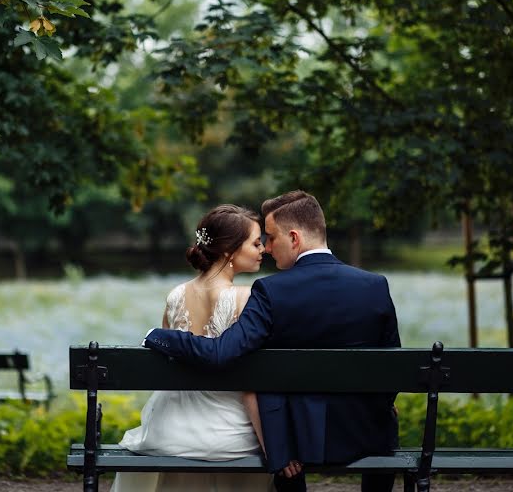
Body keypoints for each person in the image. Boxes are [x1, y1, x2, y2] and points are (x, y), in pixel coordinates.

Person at [144, 191, 401, 492]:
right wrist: (380, 407)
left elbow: (221, 353)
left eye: (270, 238)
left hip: (300, 439)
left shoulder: (270, 291)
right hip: (366, 434)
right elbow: (392, 367)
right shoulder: (374, 286)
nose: (266, 248)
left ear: (294, 238)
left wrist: (158, 336)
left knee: (280, 426)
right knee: (387, 418)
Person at [111, 204, 273, 492]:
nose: (263, 249)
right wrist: (271, 443)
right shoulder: (246, 298)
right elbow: (250, 383)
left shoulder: (175, 296)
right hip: (227, 434)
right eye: (256, 242)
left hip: (167, 430)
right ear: (228, 250)